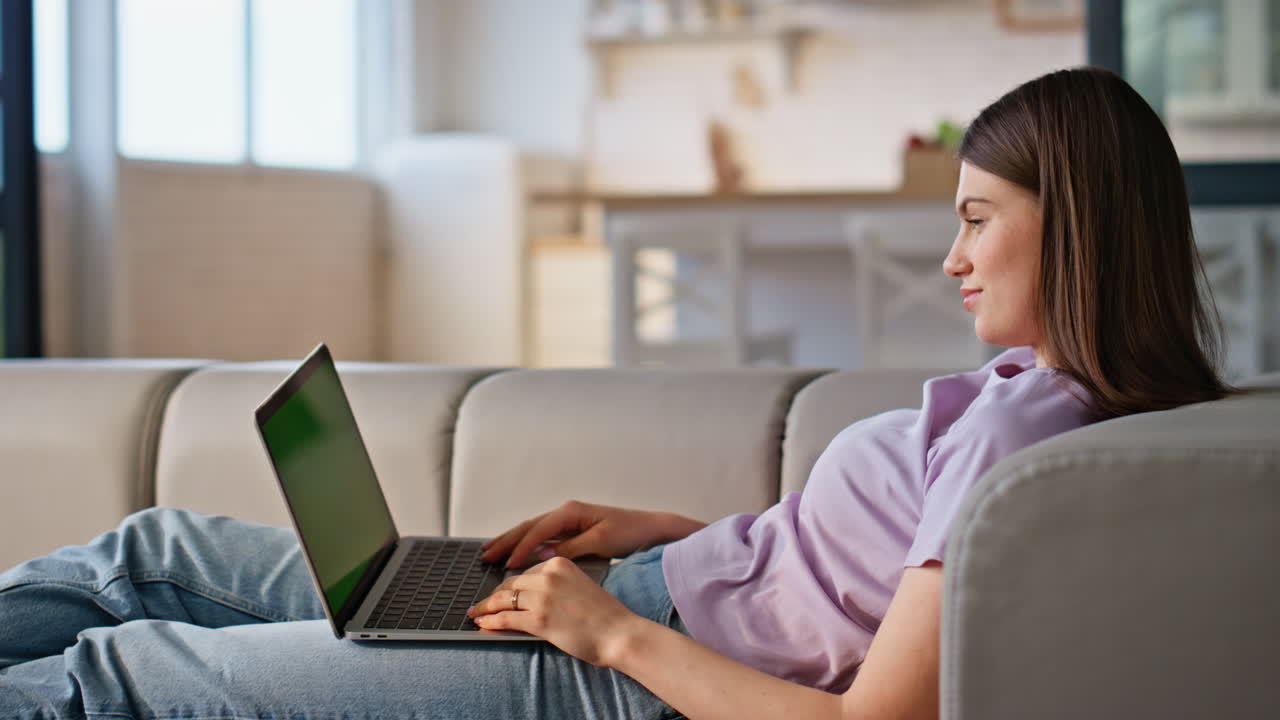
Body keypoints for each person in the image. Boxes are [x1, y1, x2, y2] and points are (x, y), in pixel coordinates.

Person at [0, 66, 1232, 720]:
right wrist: (666, 537)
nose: (952, 258)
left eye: (975, 221)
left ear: (1069, 224)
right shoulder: (1037, 390)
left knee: (127, 671)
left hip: (630, 669)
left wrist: (605, 631)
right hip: (639, 606)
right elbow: (855, 578)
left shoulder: (1029, 431)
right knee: (149, 553)